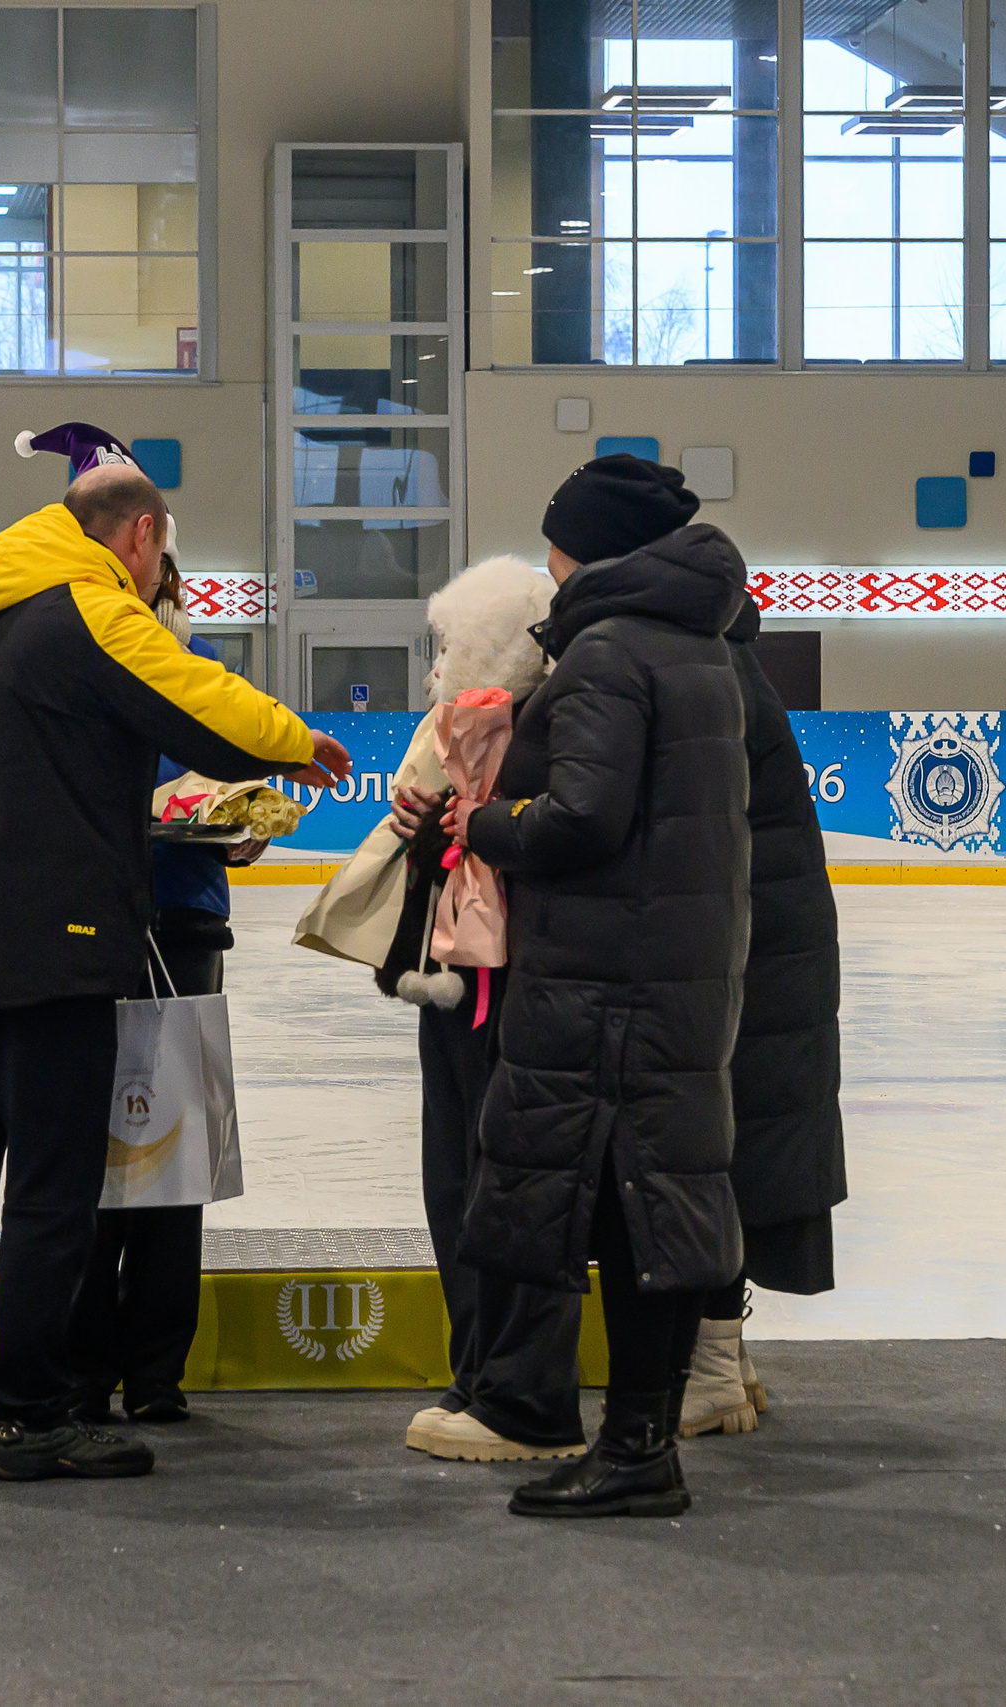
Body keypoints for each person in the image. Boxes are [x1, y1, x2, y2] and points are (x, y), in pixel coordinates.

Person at [0, 461, 351, 1482]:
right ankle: (32, 1416)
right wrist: (293, 740)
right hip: (55, 949)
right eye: (158, 552)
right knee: (52, 1192)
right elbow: (194, 695)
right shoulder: (88, 611)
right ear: (140, 537)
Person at [454, 455, 749, 1519]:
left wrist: (482, 823)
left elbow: (581, 818)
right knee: (656, 1204)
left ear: (584, 549)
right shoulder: (694, 645)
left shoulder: (607, 655)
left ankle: (636, 1450)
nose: (546, 563)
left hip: (610, 976)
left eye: (554, 543)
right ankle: (641, 1440)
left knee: (632, 1215)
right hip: (675, 964)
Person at [368, 555, 588, 1466]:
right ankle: (478, 1368)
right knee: (454, 1180)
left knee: (489, 1183)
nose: (435, 667)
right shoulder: (463, 729)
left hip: (502, 986)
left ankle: (504, 1379)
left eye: (452, 644)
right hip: (458, 985)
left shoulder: (525, 733)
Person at [66, 553, 264, 1428]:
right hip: (86, 928)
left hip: (184, 926)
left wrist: (242, 825)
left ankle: (154, 1368)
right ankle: (82, 1364)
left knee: (172, 1155)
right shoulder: (74, 659)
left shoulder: (204, 665)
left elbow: (234, 783)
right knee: (88, 1152)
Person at [683, 596, 846, 1438]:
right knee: (733, 1150)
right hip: (767, 947)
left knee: (705, 1152)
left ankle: (711, 1364)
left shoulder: (698, 670)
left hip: (743, 950)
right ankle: (725, 1356)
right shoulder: (728, 655)